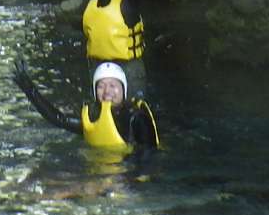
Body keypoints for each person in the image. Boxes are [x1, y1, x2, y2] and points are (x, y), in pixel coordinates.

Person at [13, 61, 161, 152]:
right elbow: (59, 119)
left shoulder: (136, 118)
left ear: (124, 90)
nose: (107, 92)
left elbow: (149, 156)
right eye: (101, 87)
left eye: (113, 86)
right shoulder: (93, 118)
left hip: (126, 177)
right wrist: (29, 88)